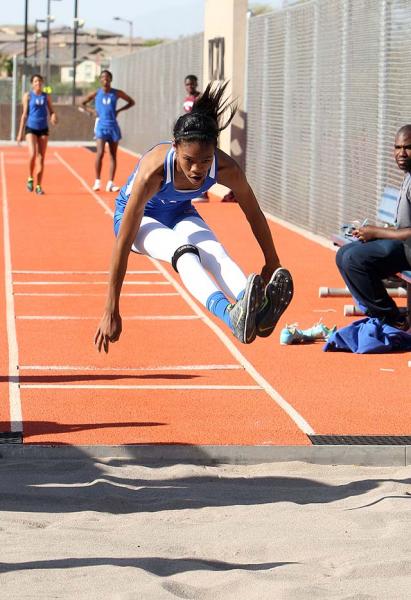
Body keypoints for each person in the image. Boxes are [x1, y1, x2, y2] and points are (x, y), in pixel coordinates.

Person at [94, 82, 293, 353]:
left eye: (206, 160)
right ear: (175, 147)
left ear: (215, 151)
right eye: (189, 160)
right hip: (140, 219)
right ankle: (230, 316)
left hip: (179, 211)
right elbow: (123, 241)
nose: (198, 169)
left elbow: (254, 214)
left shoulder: (227, 169)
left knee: (215, 252)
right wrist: (111, 308)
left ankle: (256, 311)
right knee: (184, 252)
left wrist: (272, 260)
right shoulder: (153, 173)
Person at [336, 124, 411, 330]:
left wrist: (377, 232)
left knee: (354, 260)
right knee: (344, 253)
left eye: (407, 147)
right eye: (397, 147)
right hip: (404, 245)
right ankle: (378, 313)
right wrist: (373, 233)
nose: (401, 153)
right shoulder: (408, 175)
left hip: (408, 250)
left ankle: (392, 319)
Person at [81, 70, 135, 192]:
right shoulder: (96, 93)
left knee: (113, 155)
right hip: (101, 126)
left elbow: (131, 102)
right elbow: (82, 103)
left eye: (107, 77)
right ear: (100, 80)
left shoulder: (116, 93)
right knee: (99, 153)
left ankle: (110, 183)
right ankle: (97, 181)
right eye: (103, 77)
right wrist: (92, 111)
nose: (105, 79)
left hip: (113, 126)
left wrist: (119, 110)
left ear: (111, 79)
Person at [16, 73, 57, 195]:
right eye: (35, 81)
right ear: (32, 84)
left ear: (42, 83)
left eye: (39, 81)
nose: (38, 83)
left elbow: (52, 111)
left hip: (43, 128)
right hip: (31, 128)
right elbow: (24, 114)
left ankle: (39, 185)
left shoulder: (46, 96)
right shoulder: (28, 96)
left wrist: (54, 116)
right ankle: (30, 178)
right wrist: (20, 133)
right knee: (33, 154)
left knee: (41, 158)